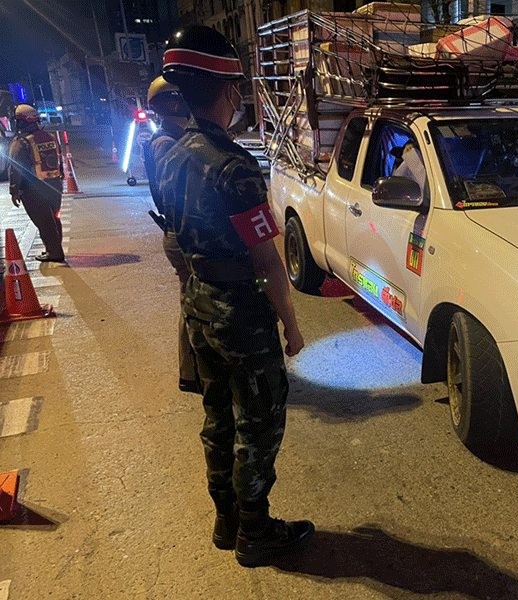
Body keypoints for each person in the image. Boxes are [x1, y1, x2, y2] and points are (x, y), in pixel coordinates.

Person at [158, 25, 313, 567]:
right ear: (228, 91)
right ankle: (255, 530)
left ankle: (226, 520)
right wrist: (291, 324)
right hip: (240, 312)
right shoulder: (235, 167)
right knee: (259, 421)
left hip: (198, 303)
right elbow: (267, 261)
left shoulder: (170, 155)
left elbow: (174, 236)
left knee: (218, 415)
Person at [142, 76, 200, 394]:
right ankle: (191, 373)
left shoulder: (176, 137)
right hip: (182, 232)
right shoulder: (166, 144)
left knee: (194, 301)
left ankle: (195, 370)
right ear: (175, 102)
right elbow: (176, 195)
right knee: (193, 303)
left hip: (181, 230)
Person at [8, 104, 65, 262]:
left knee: (44, 221)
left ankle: (55, 253)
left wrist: (14, 190)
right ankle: (55, 248)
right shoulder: (51, 137)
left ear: (21, 122)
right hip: (54, 184)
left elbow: (16, 169)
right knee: (54, 219)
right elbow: (59, 160)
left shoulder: (21, 142)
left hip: (33, 188)